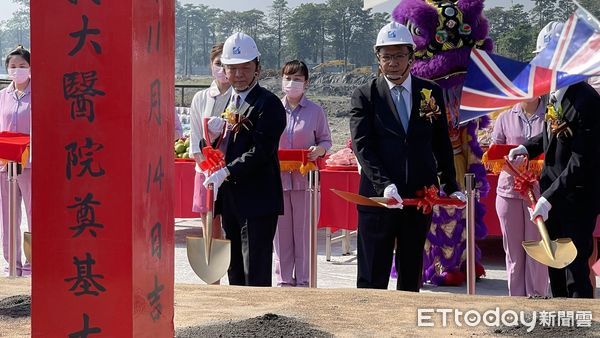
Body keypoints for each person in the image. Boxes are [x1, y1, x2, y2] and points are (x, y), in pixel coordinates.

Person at [349, 22, 465, 291]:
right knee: (372, 274)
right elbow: (362, 146)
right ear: (377, 57)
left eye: (399, 55)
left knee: (411, 272)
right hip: (379, 199)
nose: (393, 63)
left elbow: (441, 142)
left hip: (417, 198)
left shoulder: (430, 92)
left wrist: (450, 184)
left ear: (411, 57)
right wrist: (384, 184)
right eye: (386, 56)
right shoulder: (365, 95)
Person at [508, 23, 600, 298]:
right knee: (554, 270)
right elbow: (553, 137)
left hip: (576, 199)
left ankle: (582, 325)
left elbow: (582, 160)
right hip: (553, 196)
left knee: (574, 270)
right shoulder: (553, 94)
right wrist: (528, 146)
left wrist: (548, 197)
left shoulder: (587, 101)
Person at [203, 32, 286, 286]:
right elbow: (210, 147)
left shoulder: (268, 104)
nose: (238, 74)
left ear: (257, 68)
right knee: (235, 270)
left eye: (245, 68)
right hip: (230, 200)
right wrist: (212, 138)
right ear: (224, 70)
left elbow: (262, 150)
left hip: (258, 200)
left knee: (255, 270)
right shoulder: (223, 102)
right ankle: (240, 324)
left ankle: (261, 322)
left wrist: (227, 171)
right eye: (232, 68)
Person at [274, 60, 332, 287]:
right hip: (278, 181)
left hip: (306, 181)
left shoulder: (316, 111)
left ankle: (305, 281)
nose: (292, 83)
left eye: (297, 79)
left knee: (304, 235)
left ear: (306, 83)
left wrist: (319, 150)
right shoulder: (273, 109)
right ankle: (283, 281)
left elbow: (326, 140)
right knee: (281, 236)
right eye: (288, 78)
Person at [492, 98, 549, 297]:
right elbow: (493, 153)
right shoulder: (504, 117)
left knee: (537, 250)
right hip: (508, 192)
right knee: (513, 253)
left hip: (539, 194)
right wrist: (507, 161)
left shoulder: (550, 116)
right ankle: (516, 301)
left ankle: (538, 298)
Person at [188, 43, 232, 245]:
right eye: (218, 63)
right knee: (209, 222)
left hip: (230, 170)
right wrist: (206, 166)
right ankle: (212, 276)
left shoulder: (238, 98)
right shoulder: (200, 98)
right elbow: (195, 138)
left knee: (231, 223)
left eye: (227, 64)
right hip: (206, 170)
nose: (222, 69)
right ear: (211, 65)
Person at [0, 46, 31, 276]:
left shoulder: (38, 94)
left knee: (34, 216)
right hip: (6, 164)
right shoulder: (2, 96)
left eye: (22, 66)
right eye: (13, 66)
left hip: (31, 164)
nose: (17, 70)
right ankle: (13, 267)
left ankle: (32, 266)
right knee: (9, 217)